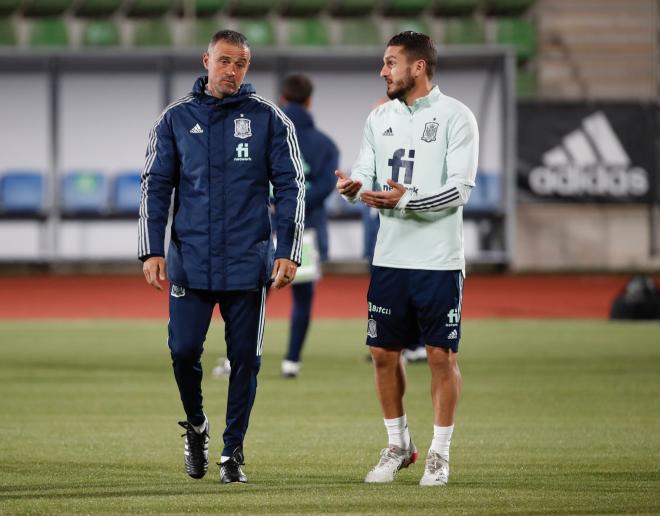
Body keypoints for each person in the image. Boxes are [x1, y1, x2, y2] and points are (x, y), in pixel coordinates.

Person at [138, 29, 305, 484]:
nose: (232, 71)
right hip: (189, 261)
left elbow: (292, 187)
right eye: (225, 61)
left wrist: (289, 251)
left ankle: (232, 451)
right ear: (206, 60)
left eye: (241, 64)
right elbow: (155, 186)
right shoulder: (174, 119)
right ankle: (196, 425)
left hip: (247, 264)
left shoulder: (270, 120)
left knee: (245, 361)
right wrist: (151, 249)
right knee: (183, 351)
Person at [336, 31, 478, 487]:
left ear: (418, 67)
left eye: (391, 62)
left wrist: (403, 201)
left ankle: (440, 453)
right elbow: (366, 168)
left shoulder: (457, 117)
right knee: (381, 353)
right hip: (390, 257)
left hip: (438, 259)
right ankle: (399, 445)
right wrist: (356, 187)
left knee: (440, 355)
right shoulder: (379, 118)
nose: (383, 70)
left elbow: (460, 190)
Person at [278, 74, 339, 377]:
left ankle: (237, 358)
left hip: (265, 227)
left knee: (247, 297)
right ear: (310, 101)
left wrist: (278, 204)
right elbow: (327, 184)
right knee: (302, 299)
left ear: (283, 100)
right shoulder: (325, 144)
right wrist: (298, 206)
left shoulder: (269, 135)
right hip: (308, 230)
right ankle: (291, 361)